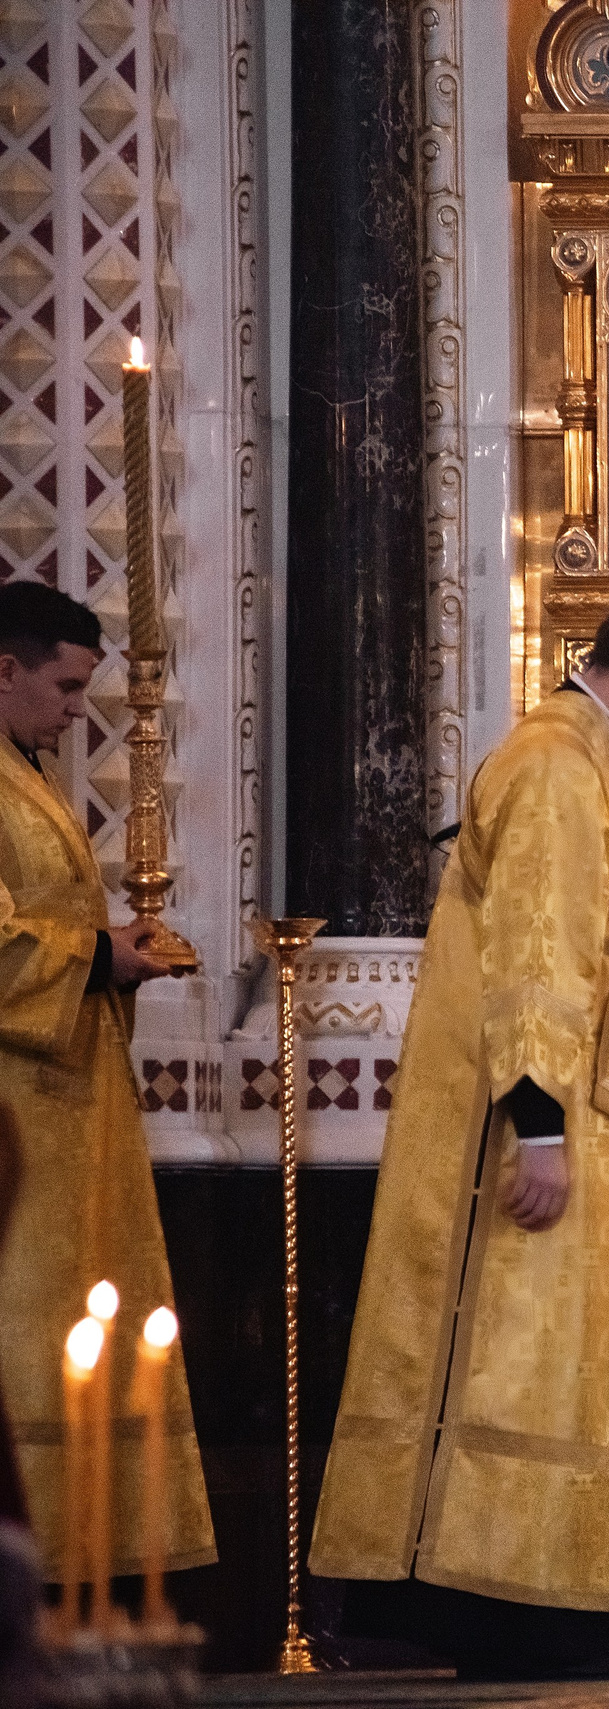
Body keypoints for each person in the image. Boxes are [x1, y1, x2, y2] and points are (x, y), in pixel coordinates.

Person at [312, 579, 609, 1681]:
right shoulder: (556, 768)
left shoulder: (587, 762)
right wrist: (540, 1130)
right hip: (526, 1129)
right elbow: (536, 967)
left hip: (569, 1117)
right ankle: (505, 1604)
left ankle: (547, 1598)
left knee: (551, 1355)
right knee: (512, 1351)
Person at [0, 581, 216, 1600]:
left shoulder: (22, 771)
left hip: (57, 1106)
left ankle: (69, 1559)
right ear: (7, 667)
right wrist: (98, 957)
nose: (78, 710)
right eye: (68, 685)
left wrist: (108, 952)